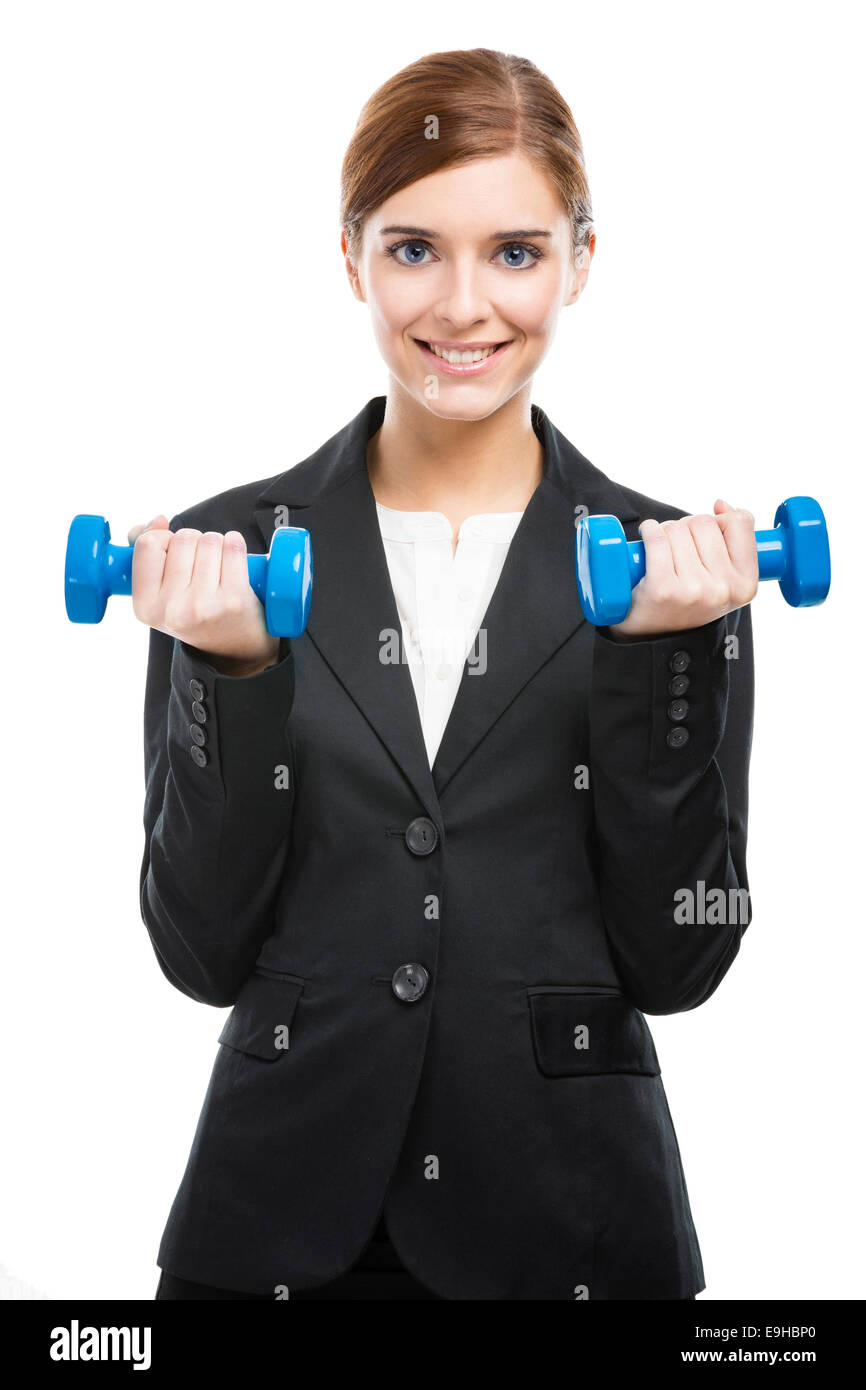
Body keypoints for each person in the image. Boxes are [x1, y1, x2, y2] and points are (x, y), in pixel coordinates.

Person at [136, 47, 754, 1300]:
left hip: (571, 1224)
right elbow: (199, 951)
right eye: (414, 248)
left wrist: (660, 662)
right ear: (350, 255)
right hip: (275, 1230)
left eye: (515, 252)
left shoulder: (674, 573)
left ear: (581, 260)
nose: (463, 305)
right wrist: (232, 673)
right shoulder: (223, 555)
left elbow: (680, 962)